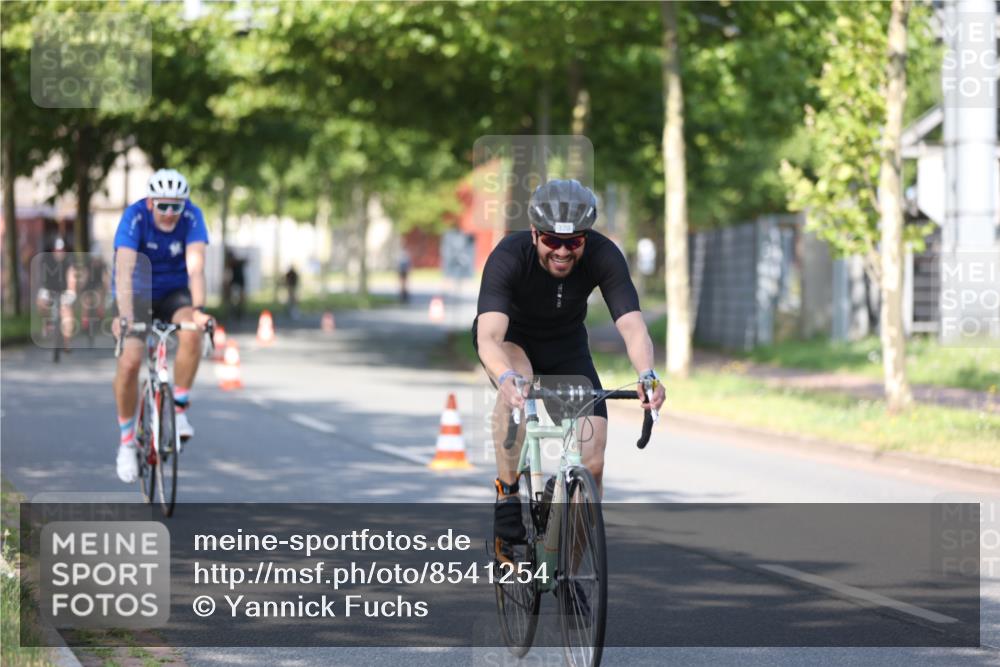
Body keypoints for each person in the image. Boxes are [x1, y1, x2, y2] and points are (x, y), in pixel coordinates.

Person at [472, 179, 666, 563]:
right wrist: (506, 378)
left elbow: (632, 326)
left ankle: (571, 573)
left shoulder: (604, 255)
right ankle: (508, 494)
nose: (562, 251)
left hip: (567, 349)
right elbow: (488, 337)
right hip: (514, 342)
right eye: (551, 241)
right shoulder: (509, 255)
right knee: (517, 391)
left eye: (573, 242)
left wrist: (647, 374)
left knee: (592, 465)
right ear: (534, 233)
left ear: (585, 237)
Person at [111, 168, 213, 483]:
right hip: (138, 292)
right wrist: (125, 314)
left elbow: (195, 269)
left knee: (191, 334)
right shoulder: (135, 217)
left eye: (176, 207)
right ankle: (127, 443)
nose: (169, 214)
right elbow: (124, 268)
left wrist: (198, 311)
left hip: (173, 291)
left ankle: (178, 409)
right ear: (151, 201)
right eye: (163, 206)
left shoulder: (193, 218)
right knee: (130, 362)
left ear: (185, 205)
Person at [35, 237, 77, 349]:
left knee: (67, 312)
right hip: (49, 288)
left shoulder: (69, 260)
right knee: (41, 302)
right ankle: (47, 322)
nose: (60, 253)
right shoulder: (46, 260)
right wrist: (45, 293)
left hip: (65, 290)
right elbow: (42, 279)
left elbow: (71, 277)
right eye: (57, 251)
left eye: (62, 251)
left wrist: (71, 291)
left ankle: (67, 341)